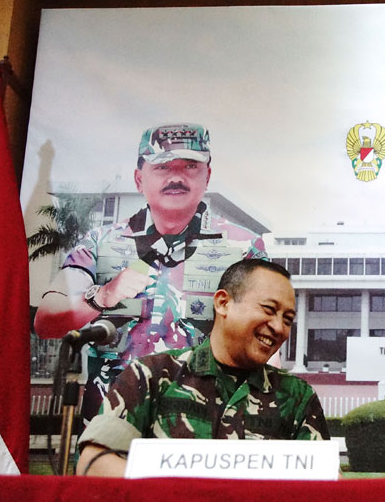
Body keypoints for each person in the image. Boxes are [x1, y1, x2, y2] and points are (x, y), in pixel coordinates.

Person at [34, 123, 267, 422]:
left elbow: (265, 335)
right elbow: (47, 321)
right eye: (162, 166)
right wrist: (102, 297)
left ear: (206, 176)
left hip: (206, 426)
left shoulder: (243, 248)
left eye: (190, 166)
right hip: (112, 427)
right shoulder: (100, 243)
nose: (176, 176)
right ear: (138, 178)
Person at [76, 259, 329, 477]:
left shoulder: (297, 397)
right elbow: (95, 462)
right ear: (223, 303)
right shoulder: (152, 376)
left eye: (287, 320)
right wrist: (181, 498)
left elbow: (327, 481)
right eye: (268, 309)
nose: (278, 327)